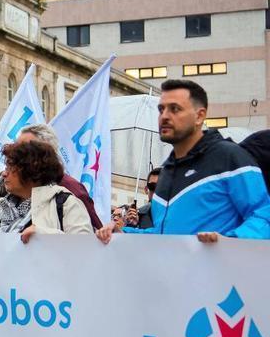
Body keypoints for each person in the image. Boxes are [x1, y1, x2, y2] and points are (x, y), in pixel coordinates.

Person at [98, 79, 270, 244]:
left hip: (223, 272)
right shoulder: (166, 172)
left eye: (175, 109)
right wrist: (123, 233)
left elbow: (264, 215)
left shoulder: (230, 157)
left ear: (199, 116)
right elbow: (163, 235)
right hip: (176, 273)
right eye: (161, 109)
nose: (164, 116)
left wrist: (230, 241)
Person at [0, 141, 92, 243]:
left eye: (10, 168)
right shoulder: (1, 206)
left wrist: (43, 235)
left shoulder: (66, 203)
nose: (4, 174)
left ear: (31, 169)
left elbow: (84, 247)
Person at [15, 125, 103, 230]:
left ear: (46, 152)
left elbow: (93, 234)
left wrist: (43, 233)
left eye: (24, 148)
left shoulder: (71, 188)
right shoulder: (14, 192)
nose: (16, 154)